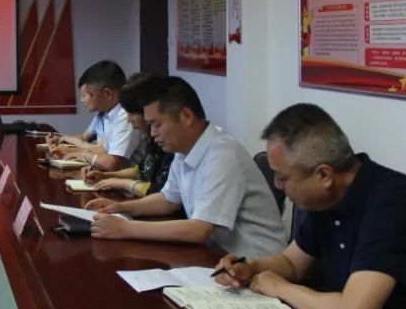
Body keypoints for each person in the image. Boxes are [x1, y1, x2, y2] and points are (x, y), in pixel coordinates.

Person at [215, 104, 406, 309]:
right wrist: (250, 267)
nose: (277, 186)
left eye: (282, 177)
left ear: (324, 174)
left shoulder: (394, 204)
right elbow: (292, 263)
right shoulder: (328, 196)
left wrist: (280, 288)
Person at [85, 76, 286, 259]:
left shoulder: (222, 154)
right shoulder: (184, 150)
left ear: (186, 116)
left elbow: (200, 230)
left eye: (157, 124)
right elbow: (168, 199)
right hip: (220, 257)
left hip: (257, 263)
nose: (152, 133)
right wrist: (121, 208)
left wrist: (125, 228)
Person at [84, 72, 173, 198]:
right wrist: (106, 176)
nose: (128, 120)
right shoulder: (153, 139)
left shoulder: (169, 143)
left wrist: (121, 183)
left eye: (132, 113)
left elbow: (159, 191)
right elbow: (141, 170)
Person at [48, 60, 139, 171]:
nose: (82, 100)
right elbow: (88, 140)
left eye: (85, 95)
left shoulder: (125, 115)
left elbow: (111, 163)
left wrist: (78, 153)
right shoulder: (105, 111)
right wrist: (61, 142)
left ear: (107, 94)